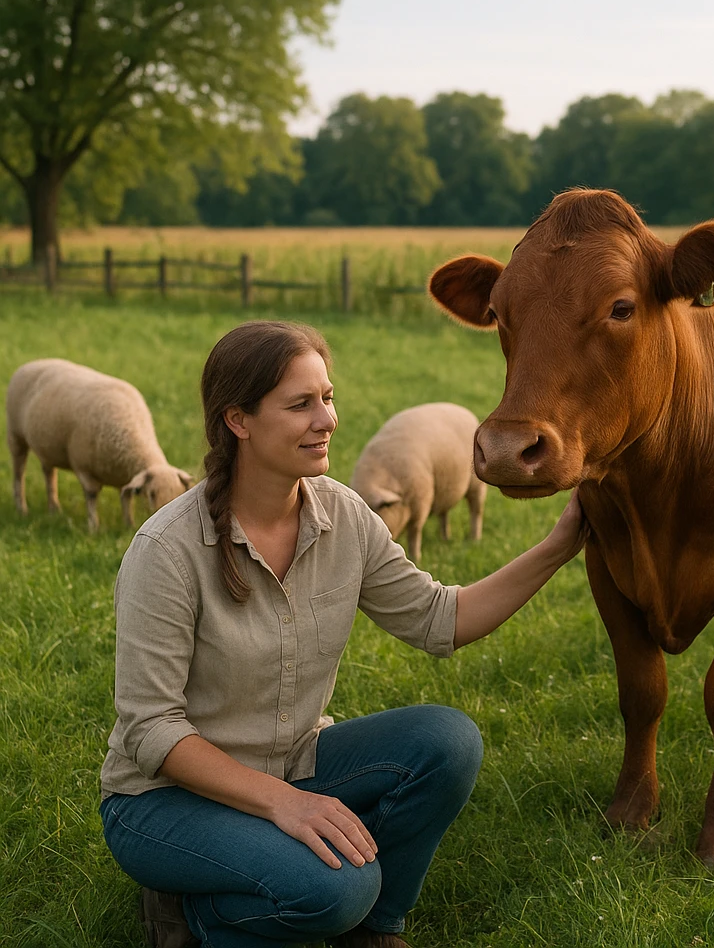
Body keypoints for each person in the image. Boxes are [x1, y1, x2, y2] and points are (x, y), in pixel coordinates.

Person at [99, 320, 587, 948]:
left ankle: (374, 930)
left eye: (327, 397)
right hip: (166, 802)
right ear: (238, 420)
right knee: (337, 890)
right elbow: (151, 729)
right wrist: (285, 804)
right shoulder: (167, 550)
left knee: (447, 742)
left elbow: (440, 619)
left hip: (294, 765)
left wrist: (558, 546)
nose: (326, 419)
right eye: (300, 404)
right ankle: (192, 912)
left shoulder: (345, 516)